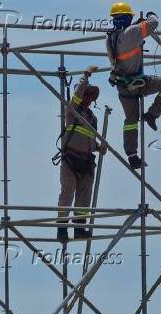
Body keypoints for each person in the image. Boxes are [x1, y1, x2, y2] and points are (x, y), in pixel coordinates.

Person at [106, 2, 161, 169]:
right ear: (128, 18)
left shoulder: (110, 39)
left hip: (123, 86)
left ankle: (132, 155)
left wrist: (137, 25)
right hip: (140, 82)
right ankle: (152, 114)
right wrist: (151, 14)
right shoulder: (133, 32)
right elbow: (154, 23)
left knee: (131, 120)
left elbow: (129, 37)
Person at [56, 65, 107, 242]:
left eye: (90, 95)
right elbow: (77, 94)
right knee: (67, 193)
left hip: (86, 161)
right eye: (86, 94)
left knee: (84, 197)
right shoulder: (72, 111)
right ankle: (62, 229)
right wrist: (86, 75)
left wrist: (99, 147)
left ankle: (79, 228)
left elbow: (89, 141)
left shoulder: (92, 118)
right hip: (71, 159)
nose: (87, 97)